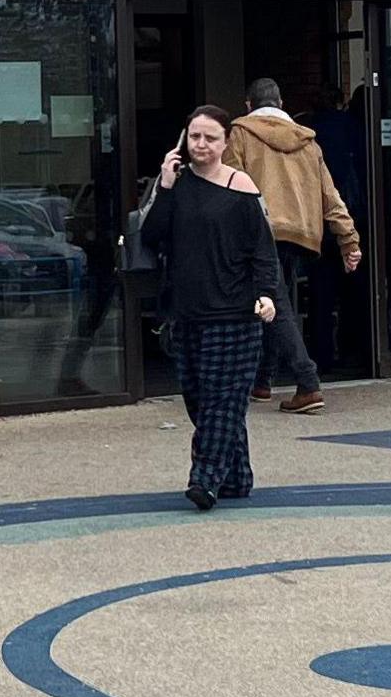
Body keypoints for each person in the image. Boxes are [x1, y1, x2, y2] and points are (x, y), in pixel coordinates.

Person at [138, 105, 282, 508]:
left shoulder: (243, 189)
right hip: (186, 314)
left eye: (210, 138)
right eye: (194, 136)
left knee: (223, 400)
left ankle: (204, 479)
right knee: (200, 400)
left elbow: (263, 252)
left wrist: (266, 295)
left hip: (235, 314)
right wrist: (165, 185)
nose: (201, 144)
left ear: (225, 143)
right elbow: (151, 236)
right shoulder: (173, 184)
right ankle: (237, 477)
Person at [229, 79, 362, 414]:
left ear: (248, 105)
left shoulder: (241, 134)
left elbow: (230, 188)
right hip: (301, 234)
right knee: (276, 299)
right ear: (282, 102)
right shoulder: (308, 141)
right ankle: (263, 381)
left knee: (279, 307)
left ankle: (307, 382)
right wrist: (349, 241)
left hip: (260, 232)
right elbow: (330, 197)